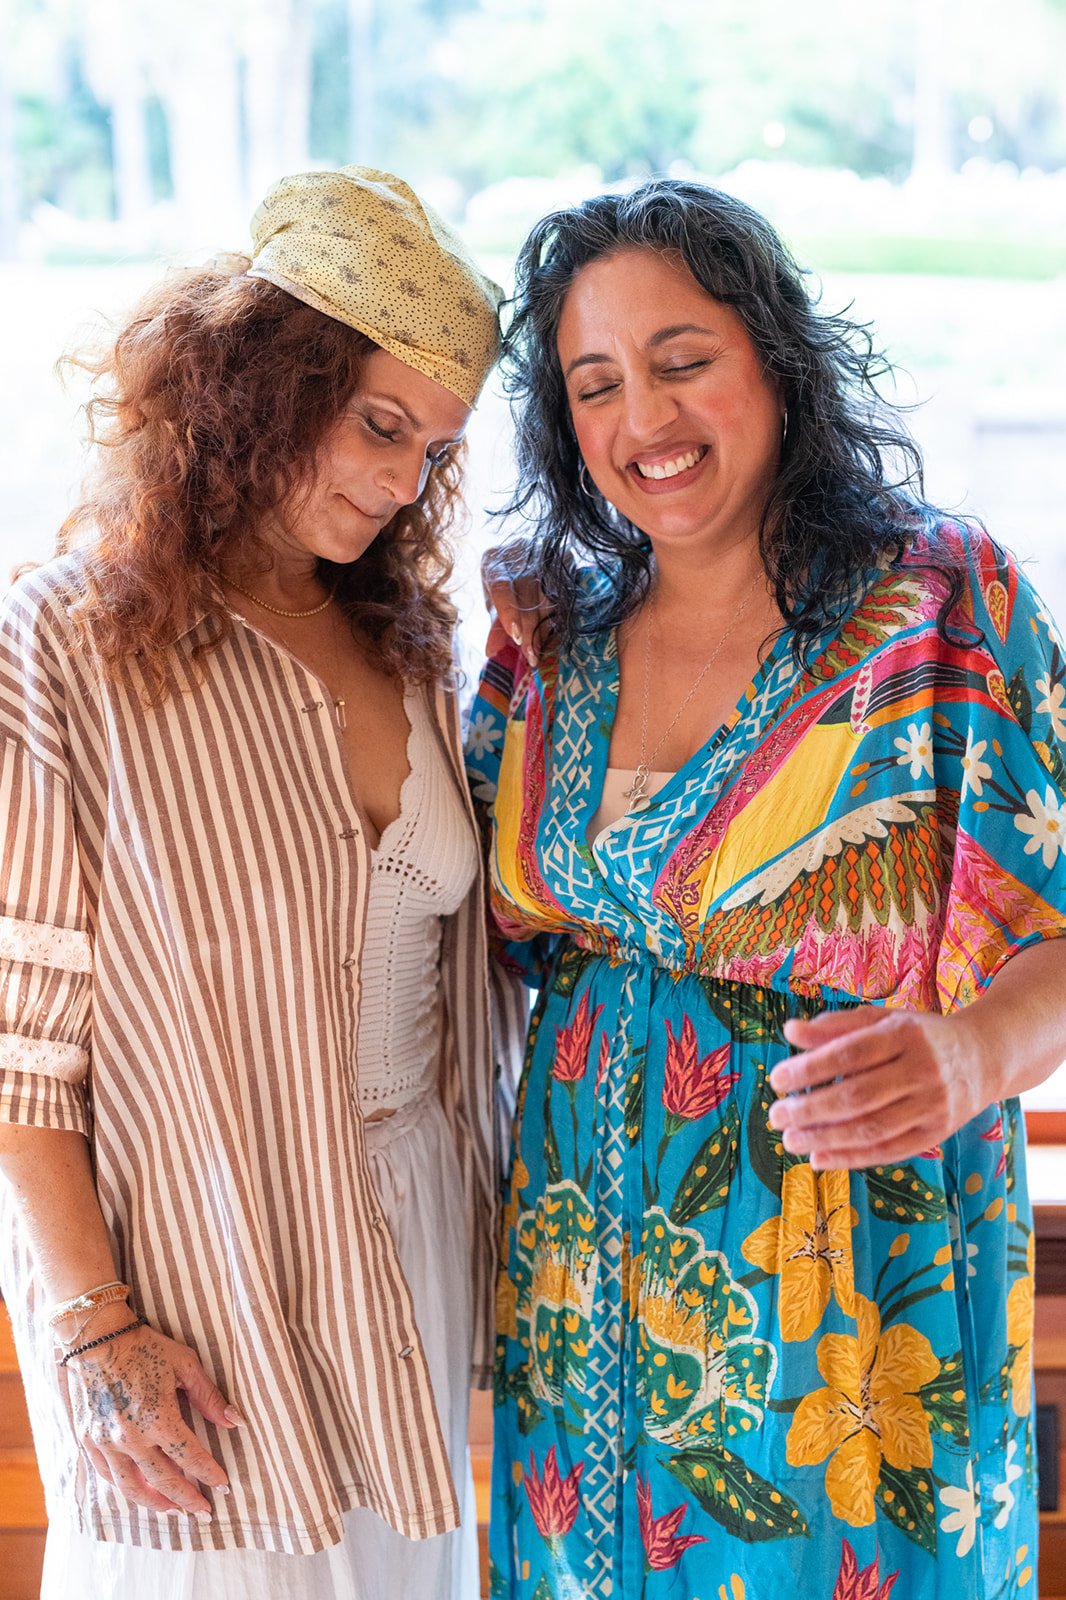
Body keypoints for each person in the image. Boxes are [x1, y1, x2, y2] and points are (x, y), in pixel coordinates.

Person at [468, 178, 1066, 1599]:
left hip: (849, 1301)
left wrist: (975, 1052)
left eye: (682, 362)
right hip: (580, 1307)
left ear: (774, 364)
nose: (643, 422)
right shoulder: (550, 637)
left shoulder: (939, 601)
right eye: (593, 383)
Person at [0, 164, 515, 1600]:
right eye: (376, 423)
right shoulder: (69, 648)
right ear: (259, 387)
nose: (402, 480)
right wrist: (100, 1332)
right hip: (198, 1268)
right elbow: (17, 1055)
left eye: (431, 447)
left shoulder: (411, 646)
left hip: (408, 1236)